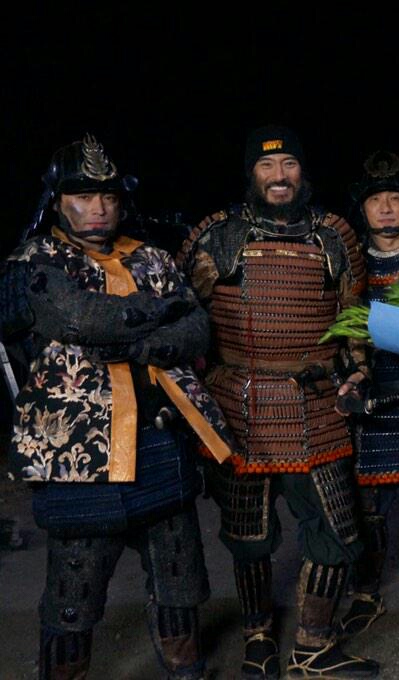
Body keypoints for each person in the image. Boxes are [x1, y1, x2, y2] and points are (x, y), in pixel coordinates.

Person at [1, 134, 236, 679]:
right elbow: (79, 318)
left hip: (158, 437)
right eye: (83, 196)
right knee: (74, 587)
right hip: (78, 450)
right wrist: (162, 309)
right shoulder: (37, 260)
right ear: (58, 201)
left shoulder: (151, 256)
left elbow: (197, 327)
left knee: (178, 573)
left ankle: (186, 670)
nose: (99, 208)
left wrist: (152, 343)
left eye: (107, 196)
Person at [177, 125, 378, 679]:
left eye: (288, 164)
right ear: (252, 173)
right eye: (267, 166)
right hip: (239, 404)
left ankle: (313, 645)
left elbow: (353, 315)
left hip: (316, 402)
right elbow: (184, 316)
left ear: (302, 171)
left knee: (337, 530)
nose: (279, 176)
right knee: (249, 538)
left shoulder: (333, 234)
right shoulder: (218, 235)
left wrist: (358, 372)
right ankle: (258, 638)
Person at [340, 151, 399, 636]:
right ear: (363, 209)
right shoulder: (350, 259)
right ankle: (366, 593)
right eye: (376, 200)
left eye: (395, 198)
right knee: (368, 507)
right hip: (373, 395)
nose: (386, 208)